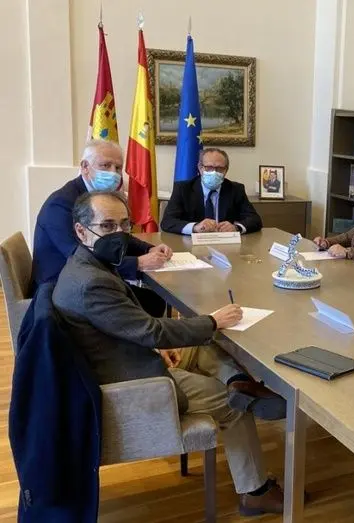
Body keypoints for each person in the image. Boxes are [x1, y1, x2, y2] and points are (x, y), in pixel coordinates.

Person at [53, 191, 286, 515]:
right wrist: (212, 321)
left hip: (123, 353)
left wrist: (174, 338)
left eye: (124, 224)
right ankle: (255, 492)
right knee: (233, 402)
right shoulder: (90, 283)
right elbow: (152, 331)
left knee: (204, 343)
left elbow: (130, 328)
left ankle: (238, 381)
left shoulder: (86, 263)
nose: (119, 234)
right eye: (107, 226)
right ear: (81, 231)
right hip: (136, 383)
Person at [32, 139, 169, 318]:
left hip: (90, 277)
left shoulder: (101, 197)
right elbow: (78, 258)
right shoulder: (60, 204)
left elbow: (117, 234)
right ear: (85, 167)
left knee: (153, 300)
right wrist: (138, 263)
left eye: (118, 168)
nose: (113, 173)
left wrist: (148, 249)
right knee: (150, 304)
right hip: (62, 287)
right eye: (105, 165)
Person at [161, 148, 262, 235]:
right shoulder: (183, 189)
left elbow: (255, 220)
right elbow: (167, 222)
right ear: (200, 168)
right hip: (191, 244)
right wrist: (195, 227)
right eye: (209, 167)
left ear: (226, 170)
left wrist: (236, 228)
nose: (214, 172)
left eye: (219, 168)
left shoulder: (235, 189)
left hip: (225, 244)